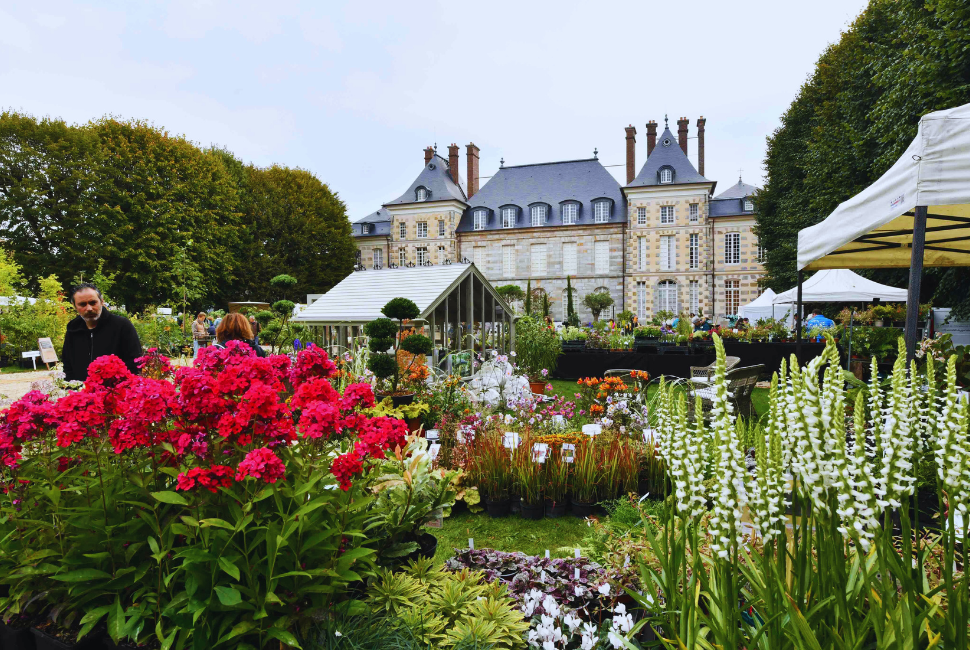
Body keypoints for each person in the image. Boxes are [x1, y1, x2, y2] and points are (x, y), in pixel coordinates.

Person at [62, 283, 142, 382]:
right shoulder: (73, 329)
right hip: (81, 392)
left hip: (115, 392)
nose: (89, 308)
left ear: (102, 301)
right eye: (82, 304)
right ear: (74, 306)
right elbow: (68, 364)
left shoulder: (121, 326)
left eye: (93, 302)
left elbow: (135, 361)